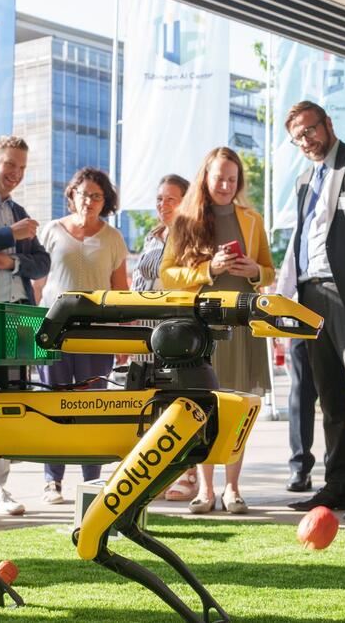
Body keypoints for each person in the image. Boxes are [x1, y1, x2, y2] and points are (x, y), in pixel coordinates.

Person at [275, 100, 345, 522]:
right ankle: (339, 483)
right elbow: (300, 238)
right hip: (310, 294)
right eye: (298, 137)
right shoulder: (304, 179)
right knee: (330, 396)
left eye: (310, 130)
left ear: (328, 123)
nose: (306, 141)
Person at [161, 146, 273, 515]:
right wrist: (209, 269)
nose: (225, 185)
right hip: (203, 324)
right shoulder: (184, 220)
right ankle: (205, 489)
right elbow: (168, 275)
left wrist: (252, 271)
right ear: (205, 179)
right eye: (219, 178)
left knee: (238, 405)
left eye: (232, 178)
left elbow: (268, 272)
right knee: (206, 403)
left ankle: (233, 488)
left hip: (243, 321)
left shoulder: (252, 219)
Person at [35, 167, 129, 504]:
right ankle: (52, 481)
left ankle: (92, 479)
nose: (88, 201)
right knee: (53, 404)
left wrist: (123, 339)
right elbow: (37, 285)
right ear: (72, 194)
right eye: (83, 193)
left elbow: (121, 291)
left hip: (96, 335)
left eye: (96, 196)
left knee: (93, 406)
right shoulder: (51, 231)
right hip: (53, 332)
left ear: (106, 201)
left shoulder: (113, 238)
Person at [0, 134, 50, 516]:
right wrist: (11, 235)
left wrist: (13, 262)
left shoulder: (21, 210)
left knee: (11, 398)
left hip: (19, 315)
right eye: (10, 164)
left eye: (22, 168)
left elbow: (42, 264)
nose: (15, 174)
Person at [128, 174, 198, 503]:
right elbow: (142, 277)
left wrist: (150, 266)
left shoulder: (194, 234)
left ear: (186, 201)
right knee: (150, 398)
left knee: (179, 398)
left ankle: (187, 472)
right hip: (145, 323)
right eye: (159, 199)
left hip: (176, 325)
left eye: (171, 199)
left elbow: (163, 270)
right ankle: (153, 470)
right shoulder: (153, 235)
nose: (163, 205)